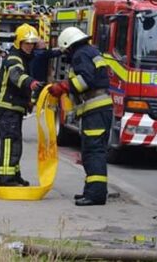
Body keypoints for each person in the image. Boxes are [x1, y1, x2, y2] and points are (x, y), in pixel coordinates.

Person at [48, 26, 112, 206]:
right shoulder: (90, 51)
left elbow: (86, 80)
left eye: (65, 50)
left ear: (69, 45)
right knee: (93, 151)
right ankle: (92, 191)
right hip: (100, 109)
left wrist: (64, 86)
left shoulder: (80, 55)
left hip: (96, 110)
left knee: (93, 152)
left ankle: (95, 195)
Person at [0, 24, 44, 187]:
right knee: (9, 143)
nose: (30, 46)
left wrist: (28, 101)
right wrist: (32, 83)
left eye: (32, 43)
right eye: (26, 43)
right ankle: (6, 179)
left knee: (16, 143)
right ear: (19, 43)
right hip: (7, 108)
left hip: (14, 108)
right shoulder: (15, 59)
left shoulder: (23, 58)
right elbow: (16, 76)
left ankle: (14, 175)